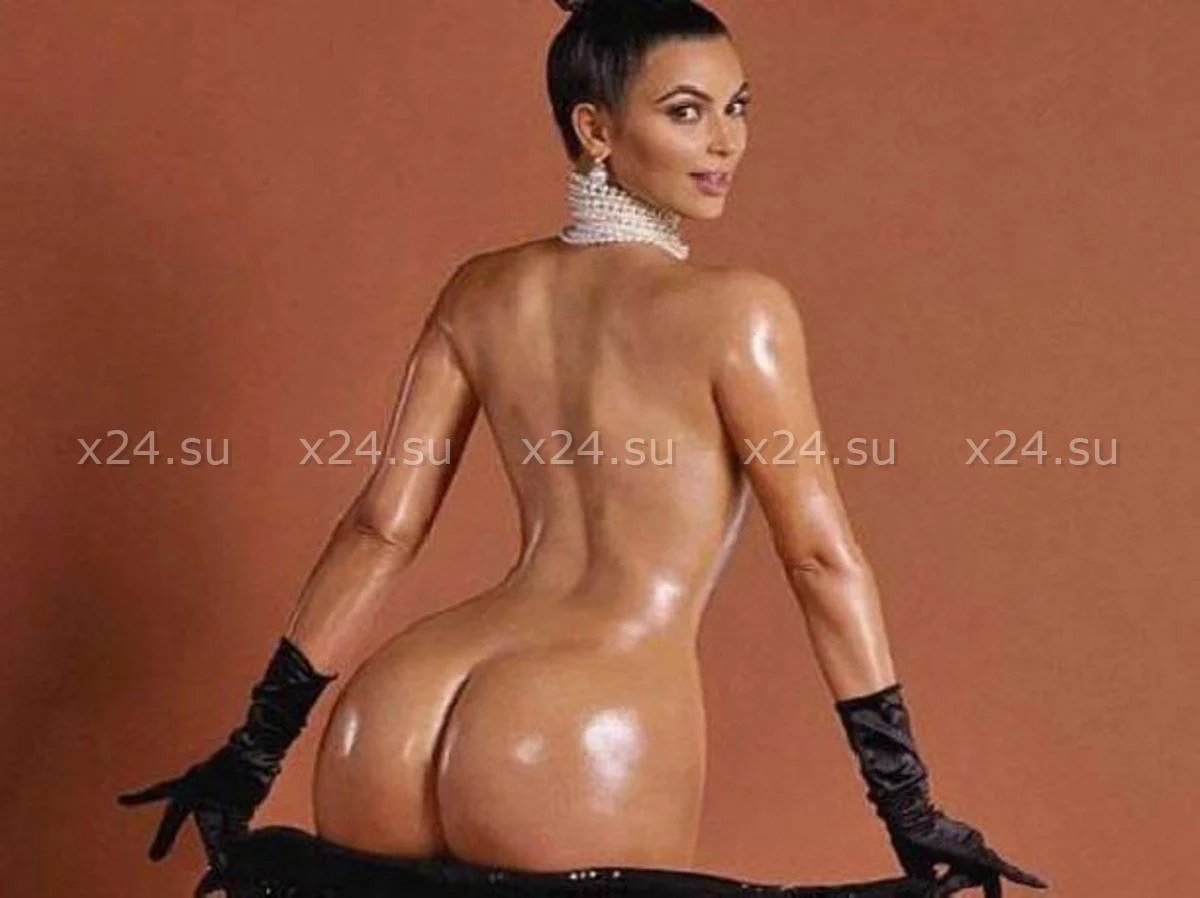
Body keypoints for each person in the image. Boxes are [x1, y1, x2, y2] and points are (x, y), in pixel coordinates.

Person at [119, 2, 1050, 896]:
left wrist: (252, 756)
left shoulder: (481, 291)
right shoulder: (739, 312)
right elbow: (817, 557)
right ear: (594, 129)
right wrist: (907, 805)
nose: (726, 142)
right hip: (585, 713)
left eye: (737, 108)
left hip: (395, 704)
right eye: (685, 112)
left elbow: (381, 528)